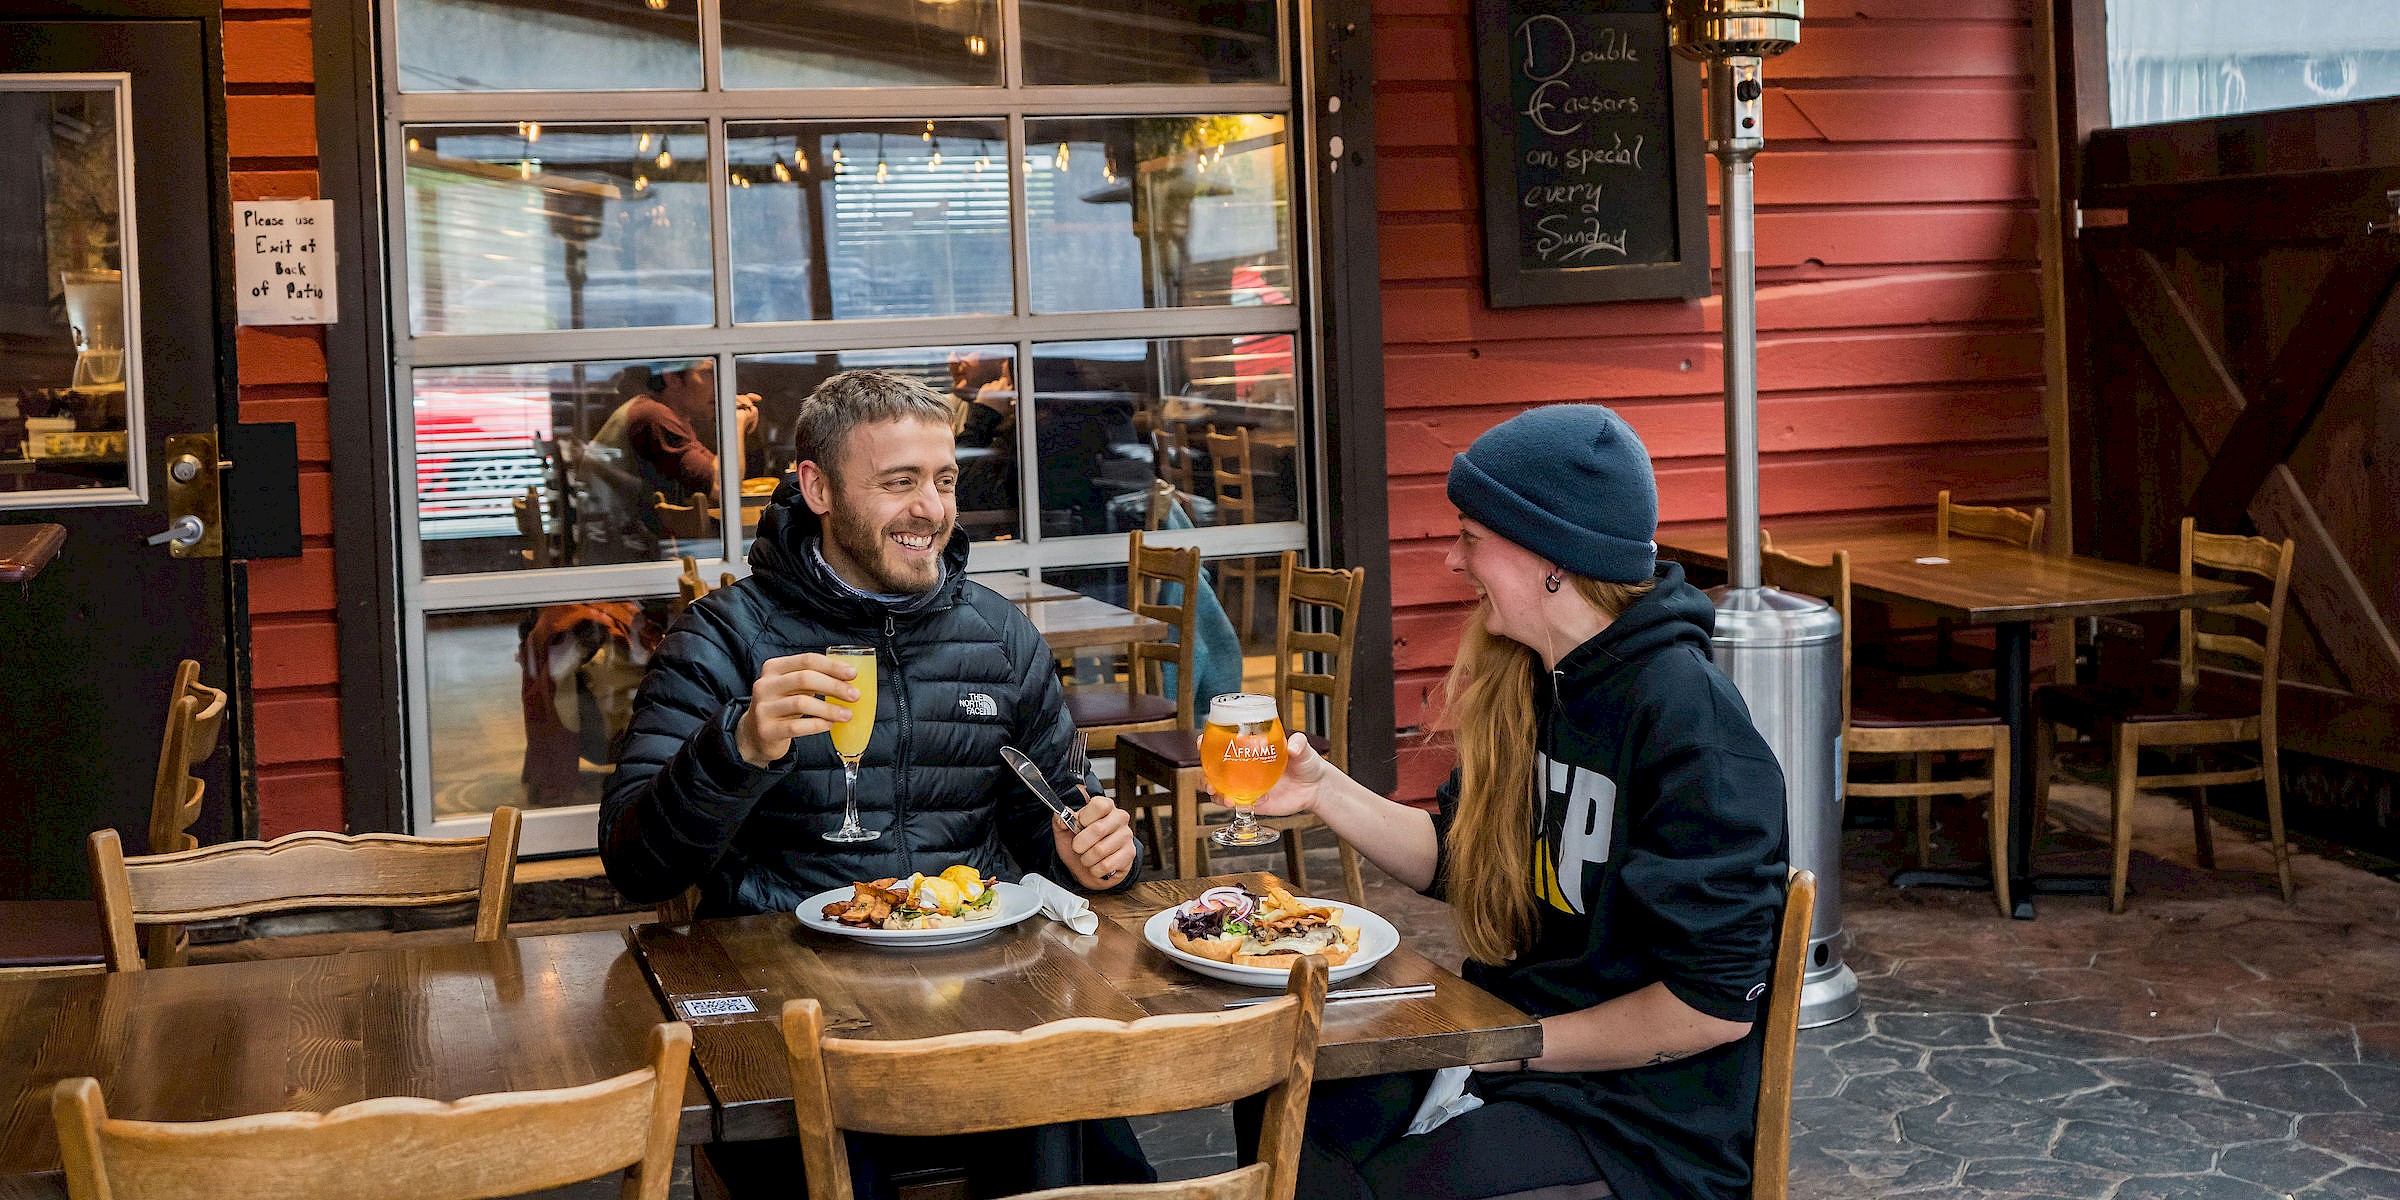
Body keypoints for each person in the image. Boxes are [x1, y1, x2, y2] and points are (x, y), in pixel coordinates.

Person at [598, 369, 1150, 1199]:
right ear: (817, 488)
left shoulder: (1002, 639)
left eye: (943, 480)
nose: (930, 507)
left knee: (1081, 1145)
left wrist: (1102, 853)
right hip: (793, 1010)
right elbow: (634, 865)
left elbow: (1060, 820)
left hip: (986, 1001)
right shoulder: (723, 639)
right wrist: (735, 746)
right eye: (898, 483)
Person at [1233, 405, 1790, 1200]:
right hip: (1516, 1058)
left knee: (1379, 1187)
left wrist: (1505, 1046)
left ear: (1549, 556)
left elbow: (1711, 1008)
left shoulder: (1688, 720)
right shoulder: (1533, 677)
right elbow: (1464, 858)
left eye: (1470, 536)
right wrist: (1321, 787)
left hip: (1642, 1123)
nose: (1455, 562)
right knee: (1281, 1102)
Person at [578, 359, 762, 558]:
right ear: (673, 377)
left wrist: (730, 417)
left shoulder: (659, 412)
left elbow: (714, 471)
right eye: (708, 373)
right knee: (758, 552)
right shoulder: (654, 416)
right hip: (625, 556)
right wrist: (735, 422)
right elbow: (723, 487)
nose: (719, 383)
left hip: (627, 544)